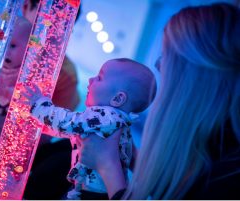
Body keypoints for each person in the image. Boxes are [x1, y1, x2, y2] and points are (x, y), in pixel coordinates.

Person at [79, 3, 240, 200]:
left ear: (197, 75)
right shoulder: (215, 141)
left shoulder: (229, 175)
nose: (158, 63)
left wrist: (108, 165)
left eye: (168, 55)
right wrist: (132, 158)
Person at [22, 58, 157, 199]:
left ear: (117, 99)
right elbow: (75, 131)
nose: (91, 80)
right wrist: (46, 127)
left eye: (99, 78)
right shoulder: (116, 121)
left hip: (91, 192)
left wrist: (38, 104)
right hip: (96, 191)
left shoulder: (106, 116)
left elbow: (68, 122)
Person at [21, 0, 81, 199]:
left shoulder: (65, 75)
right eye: (42, 17)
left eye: (60, 23)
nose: (47, 27)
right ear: (24, 8)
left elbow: (44, 137)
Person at [0, 17, 32, 162]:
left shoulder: (26, 81)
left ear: (28, 50)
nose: (6, 51)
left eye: (13, 46)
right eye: (4, 43)